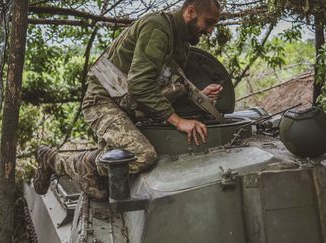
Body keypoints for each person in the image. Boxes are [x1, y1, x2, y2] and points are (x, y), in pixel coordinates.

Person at [33, 0, 223, 200]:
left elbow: (162, 83)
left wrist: (199, 95)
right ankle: (64, 162)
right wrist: (178, 121)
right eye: (208, 22)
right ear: (190, 11)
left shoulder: (181, 41)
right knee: (143, 155)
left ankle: (89, 168)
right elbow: (139, 85)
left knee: (119, 171)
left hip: (129, 106)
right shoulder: (157, 27)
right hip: (103, 102)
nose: (210, 31)